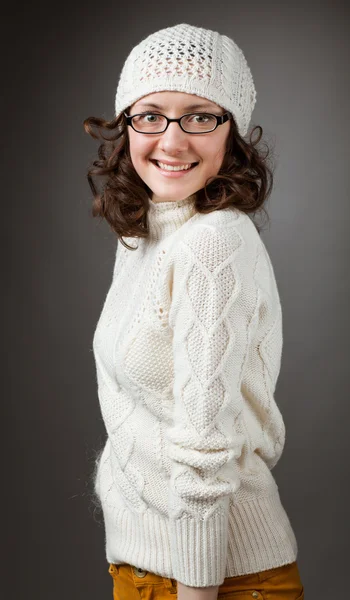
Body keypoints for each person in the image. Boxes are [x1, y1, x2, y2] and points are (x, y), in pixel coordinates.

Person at [84, 23, 304, 600]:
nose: (172, 141)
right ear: (126, 125)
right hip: (141, 568)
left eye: (200, 116)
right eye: (151, 115)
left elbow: (205, 442)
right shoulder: (144, 233)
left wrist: (197, 590)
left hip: (216, 580)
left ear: (233, 133)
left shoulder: (214, 242)